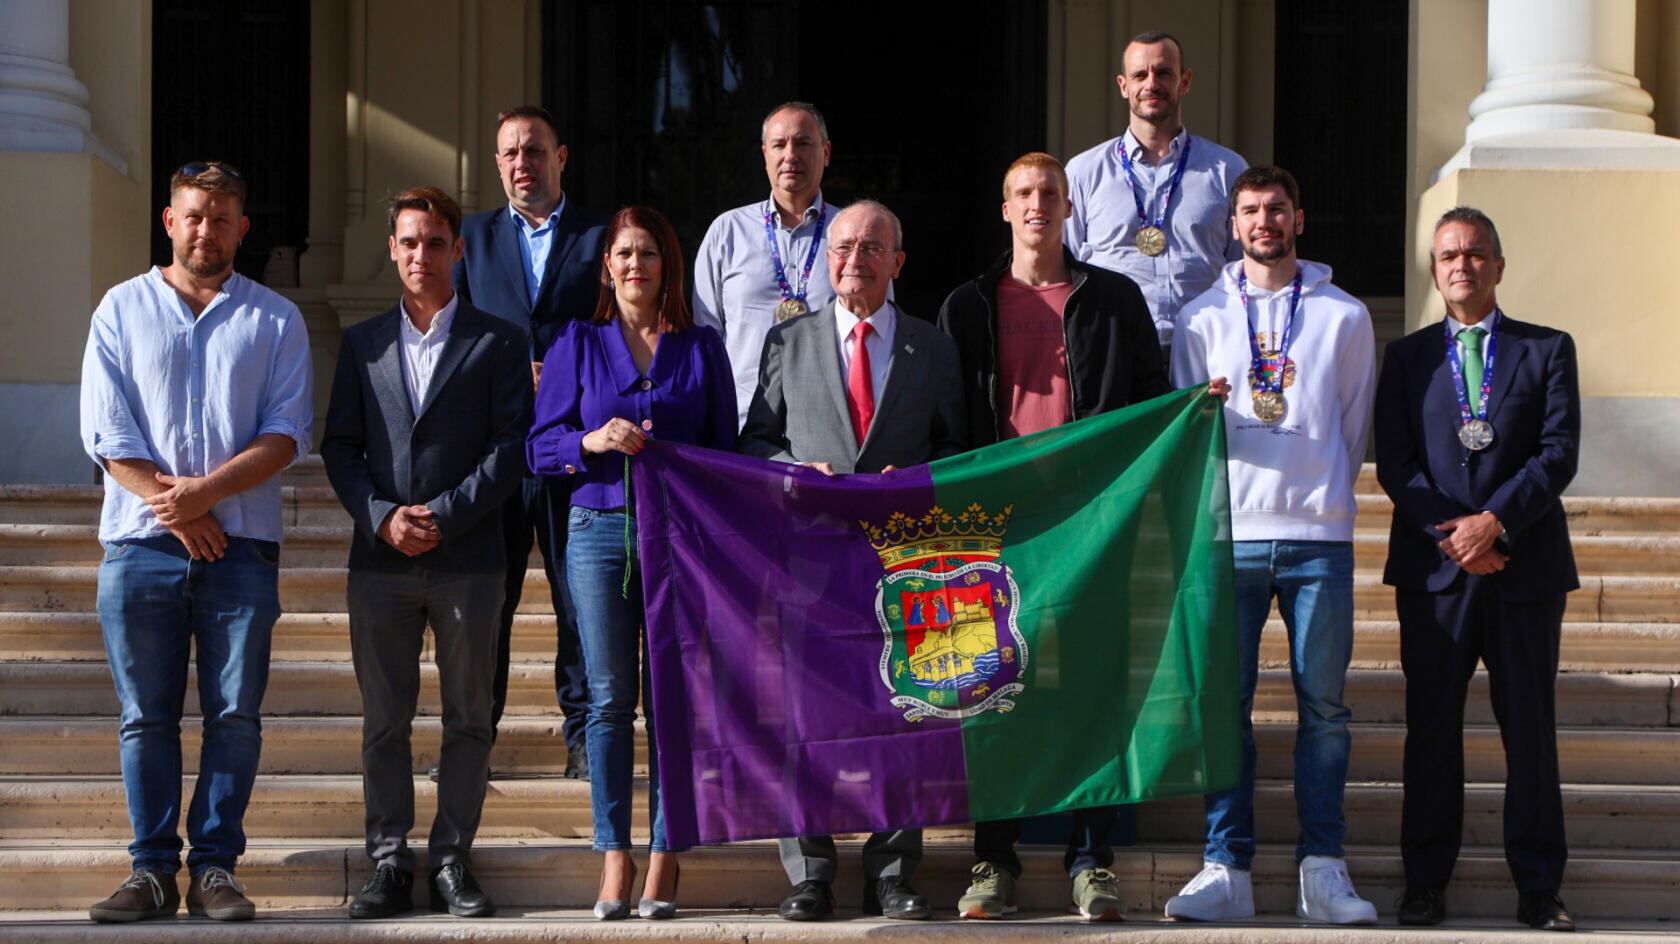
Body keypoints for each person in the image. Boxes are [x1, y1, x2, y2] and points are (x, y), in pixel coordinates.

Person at [935, 151, 1170, 921]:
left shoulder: (1115, 300)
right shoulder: (966, 305)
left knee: (1088, 691)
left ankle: (1090, 859)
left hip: (1087, 526)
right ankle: (991, 859)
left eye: (1051, 194)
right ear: (1005, 209)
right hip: (993, 532)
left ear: (1070, 207)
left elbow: (1151, 409)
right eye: (1024, 194)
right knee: (991, 690)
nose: (1038, 205)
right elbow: (944, 426)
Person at [79, 161, 314, 923]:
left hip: (240, 550)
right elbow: (107, 435)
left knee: (234, 715)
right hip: (139, 550)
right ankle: (151, 872)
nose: (206, 229)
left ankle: (214, 868)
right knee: (145, 717)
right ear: (168, 220)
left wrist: (206, 496)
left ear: (242, 228)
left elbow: (286, 434)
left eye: (221, 218)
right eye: (193, 215)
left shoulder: (275, 318)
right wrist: (179, 510)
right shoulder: (120, 309)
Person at [740, 200, 965, 921]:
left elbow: (959, 449)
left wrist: (922, 479)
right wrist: (796, 473)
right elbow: (755, 443)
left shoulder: (931, 347)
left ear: (898, 262)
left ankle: (893, 871)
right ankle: (809, 871)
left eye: (872, 248)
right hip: (810, 563)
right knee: (803, 719)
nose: (854, 261)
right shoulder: (790, 342)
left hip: (906, 563)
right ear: (824, 259)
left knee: (907, 713)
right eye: (841, 248)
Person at [1168, 165, 1378, 925]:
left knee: (1324, 709)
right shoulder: (1199, 318)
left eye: (1277, 209)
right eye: (1251, 210)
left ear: (1299, 218)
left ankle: (1323, 868)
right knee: (1226, 708)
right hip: (1231, 538)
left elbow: (1351, 431)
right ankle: (1227, 867)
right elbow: (1191, 432)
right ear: (1232, 224)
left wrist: (1317, 492)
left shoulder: (1344, 316)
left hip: (1318, 535)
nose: (1265, 222)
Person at [322, 187, 531, 920]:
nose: (421, 255)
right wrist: (382, 519)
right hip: (380, 565)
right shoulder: (362, 344)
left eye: (435, 242)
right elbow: (340, 447)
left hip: (470, 562)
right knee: (385, 721)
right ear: (392, 249)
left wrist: (444, 516)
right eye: (409, 242)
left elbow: (513, 449)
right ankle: (387, 861)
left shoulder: (499, 341)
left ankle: (451, 859)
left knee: (470, 717)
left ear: (457, 250)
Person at [527, 206, 737, 921]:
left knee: (673, 699)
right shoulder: (576, 344)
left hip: (682, 540)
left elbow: (726, 453)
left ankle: (667, 852)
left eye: (648, 252)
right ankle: (614, 852)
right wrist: (587, 441)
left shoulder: (702, 348)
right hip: (597, 532)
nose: (635, 265)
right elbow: (538, 445)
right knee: (611, 698)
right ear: (606, 266)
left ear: (667, 266)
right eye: (623, 253)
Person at [1377, 207, 1579, 933]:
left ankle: (1539, 888)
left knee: (1529, 729)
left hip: (1524, 568)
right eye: (1448, 255)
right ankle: (1426, 883)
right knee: (1431, 730)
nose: (1461, 264)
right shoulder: (1405, 359)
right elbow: (1397, 464)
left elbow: (1558, 453)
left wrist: (1496, 523)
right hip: (1436, 576)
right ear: (1434, 272)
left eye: (1475, 253)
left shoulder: (1547, 349)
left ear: (1498, 265)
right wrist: (1455, 535)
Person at [454, 105, 608, 781]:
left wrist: (568, 377)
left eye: (535, 151)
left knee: (580, 602)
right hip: (498, 451)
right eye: (511, 153)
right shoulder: (473, 238)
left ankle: (583, 734)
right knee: (490, 599)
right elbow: (454, 334)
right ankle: (474, 736)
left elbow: (616, 330)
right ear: (497, 164)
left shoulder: (601, 238)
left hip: (578, 449)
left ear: (561, 156)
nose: (524, 164)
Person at [1065, 30, 1247, 361]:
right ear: (1123, 86)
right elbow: (1066, 269)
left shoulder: (1228, 170)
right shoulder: (1083, 172)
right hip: (1113, 353)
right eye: (1140, 74)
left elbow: (1243, 269)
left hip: (1204, 352)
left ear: (1185, 81)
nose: (1152, 83)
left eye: (1164, 72)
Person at [695, 100, 847, 429]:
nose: (790, 155)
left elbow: (877, 328)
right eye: (779, 144)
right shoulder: (727, 231)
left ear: (826, 152)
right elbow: (704, 338)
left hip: (828, 426)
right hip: (739, 423)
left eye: (804, 143)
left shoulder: (851, 232)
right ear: (765, 155)